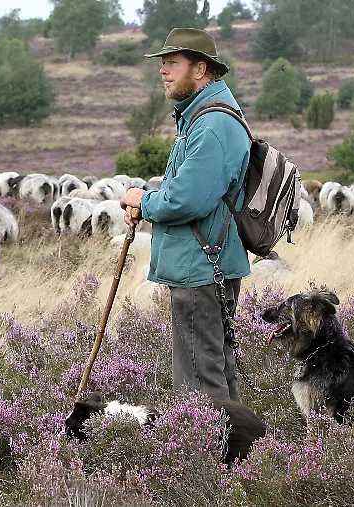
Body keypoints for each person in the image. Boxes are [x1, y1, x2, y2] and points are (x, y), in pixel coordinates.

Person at [119, 28, 251, 402]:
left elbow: (187, 200)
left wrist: (144, 202)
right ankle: (230, 440)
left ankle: (208, 440)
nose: (163, 71)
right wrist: (147, 204)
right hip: (204, 262)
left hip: (201, 265)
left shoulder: (212, 125)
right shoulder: (201, 117)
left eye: (172, 63)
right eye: (163, 63)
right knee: (214, 370)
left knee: (199, 380)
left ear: (200, 69)